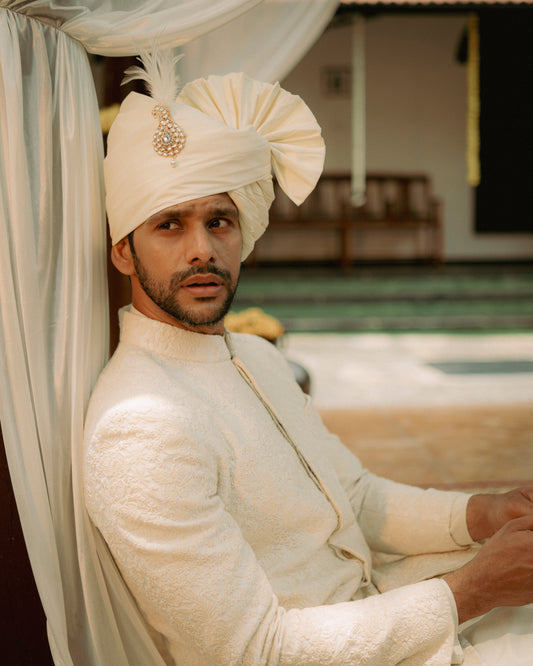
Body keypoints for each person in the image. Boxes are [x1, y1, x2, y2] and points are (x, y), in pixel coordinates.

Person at [84, 50, 533, 665]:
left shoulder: (254, 358)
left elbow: (356, 498)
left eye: (220, 221)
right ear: (124, 254)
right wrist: (472, 591)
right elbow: (258, 653)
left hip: (383, 612)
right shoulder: (140, 429)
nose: (202, 250)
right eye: (169, 225)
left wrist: (483, 512)